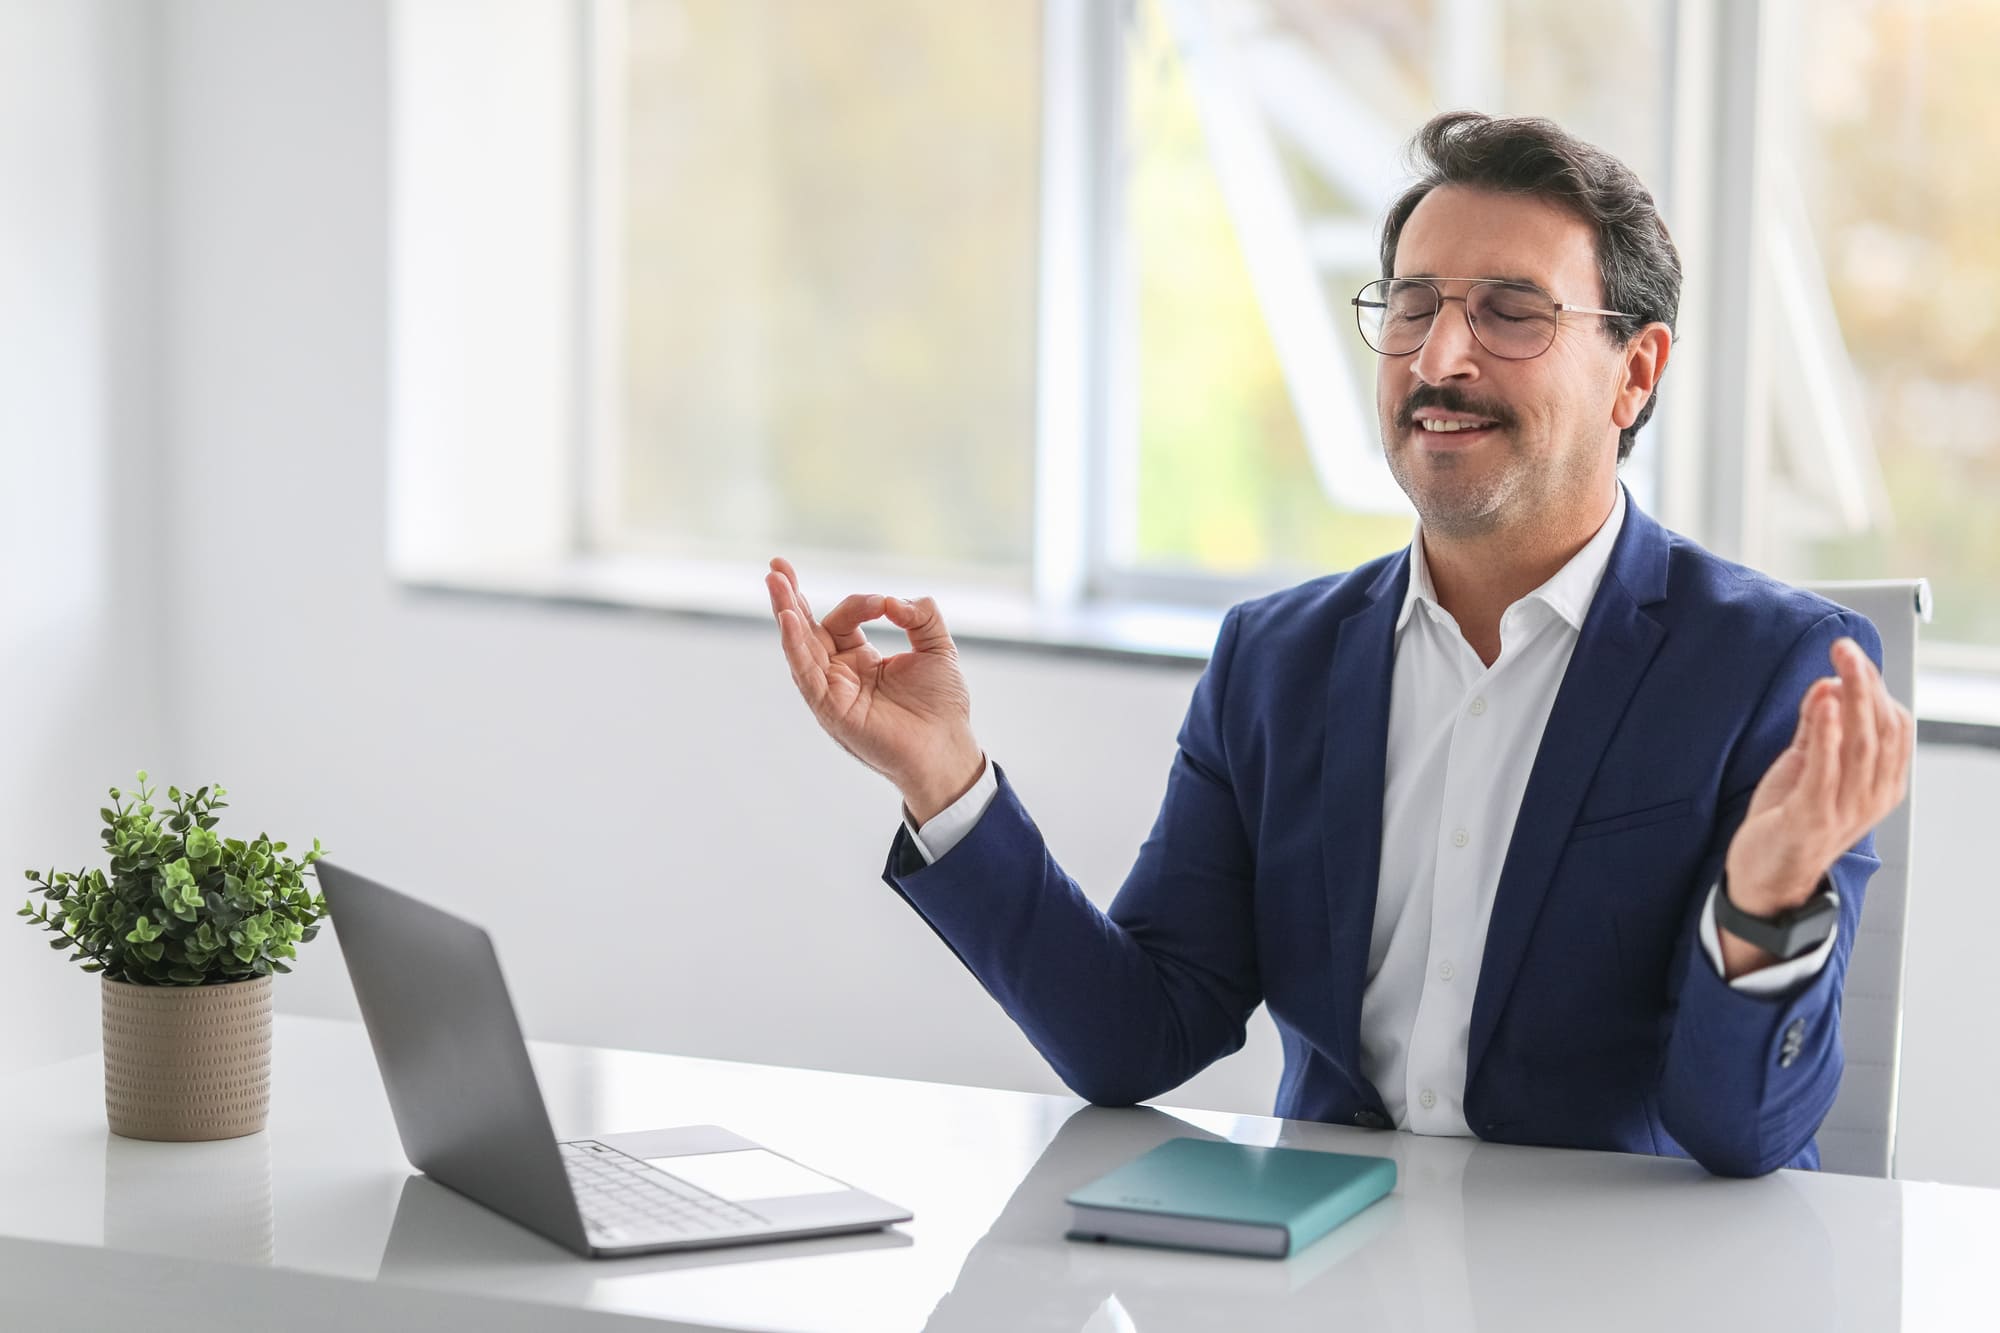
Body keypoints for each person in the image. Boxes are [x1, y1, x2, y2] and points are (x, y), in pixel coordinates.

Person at [765, 112, 1912, 1177]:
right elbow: (1135, 1034)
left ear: (1636, 370)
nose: (1438, 359)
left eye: (1510, 310)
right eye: (1411, 306)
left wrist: (1762, 901)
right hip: (1329, 1271)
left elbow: (1737, 1132)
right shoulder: (1276, 660)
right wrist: (943, 779)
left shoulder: (1776, 671)